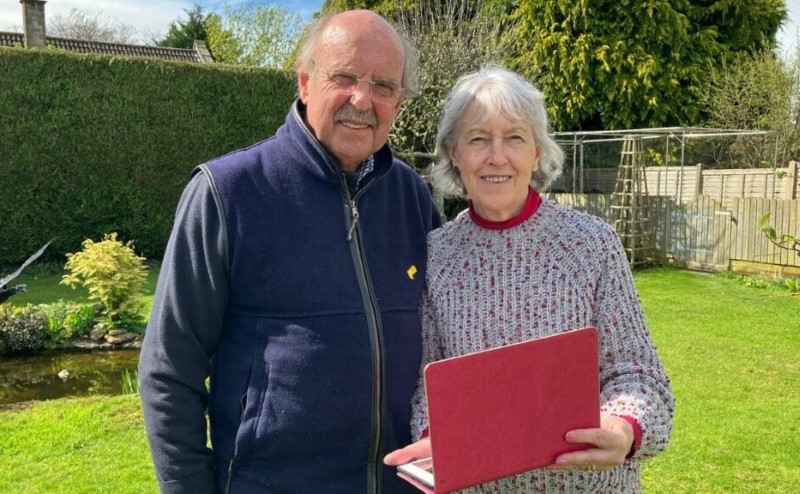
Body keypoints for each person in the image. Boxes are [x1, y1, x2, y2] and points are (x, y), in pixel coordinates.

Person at [139, 10, 441, 494]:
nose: (362, 100)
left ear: (399, 102)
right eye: (344, 78)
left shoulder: (412, 197)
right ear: (304, 82)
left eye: (384, 86)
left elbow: (451, 339)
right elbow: (169, 369)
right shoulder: (228, 192)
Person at [384, 66, 674, 493]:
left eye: (515, 138)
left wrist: (625, 426)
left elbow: (639, 374)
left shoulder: (591, 244)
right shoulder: (437, 255)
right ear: (453, 153)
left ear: (537, 150)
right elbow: (429, 384)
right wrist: (435, 438)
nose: (497, 156)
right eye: (478, 139)